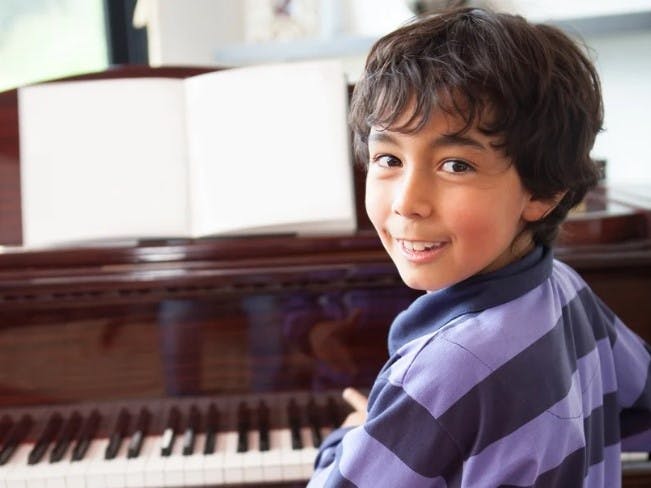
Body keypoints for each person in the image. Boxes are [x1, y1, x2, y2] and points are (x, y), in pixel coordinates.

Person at [307, 6, 651, 487]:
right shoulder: (566, 289)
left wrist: (350, 438)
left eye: (456, 166)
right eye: (388, 158)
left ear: (542, 191)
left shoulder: (443, 371)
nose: (408, 203)